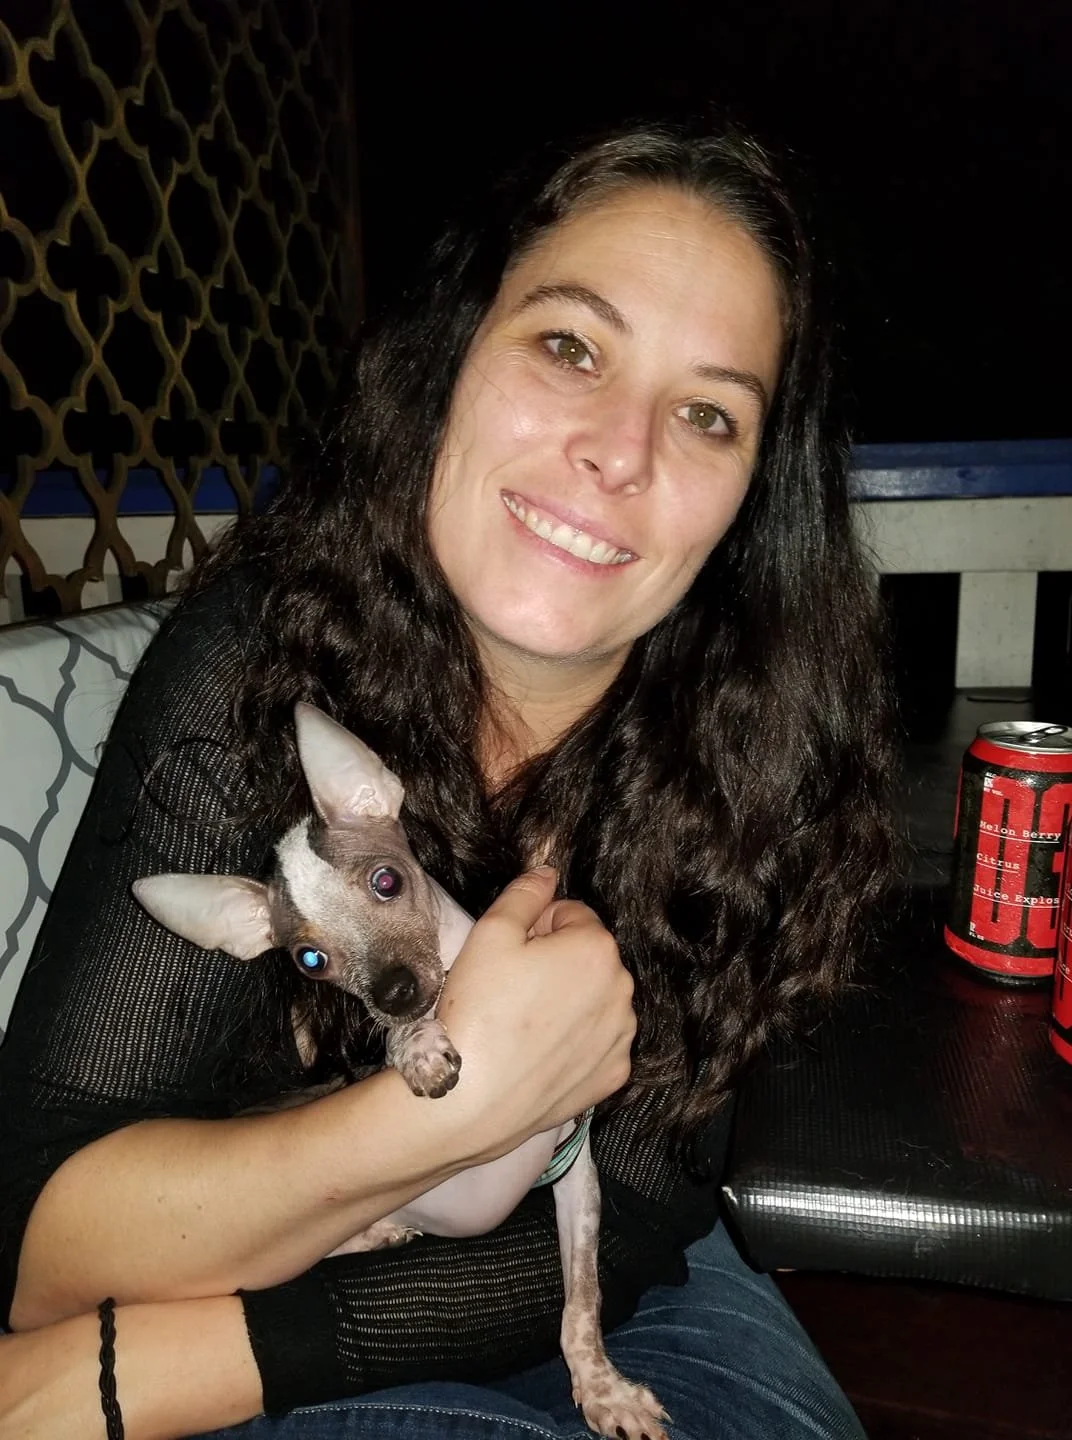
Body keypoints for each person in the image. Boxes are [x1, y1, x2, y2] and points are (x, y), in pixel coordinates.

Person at [0, 121, 896, 1439]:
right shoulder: (265, 665)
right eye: (570, 346)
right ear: (453, 355)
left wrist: (177, 1368)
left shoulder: (758, 757)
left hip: (616, 1297)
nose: (621, 449)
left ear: (752, 497)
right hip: (280, 1243)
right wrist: (451, 1105)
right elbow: (46, 1239)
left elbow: (638, 1209)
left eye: (708, 413)